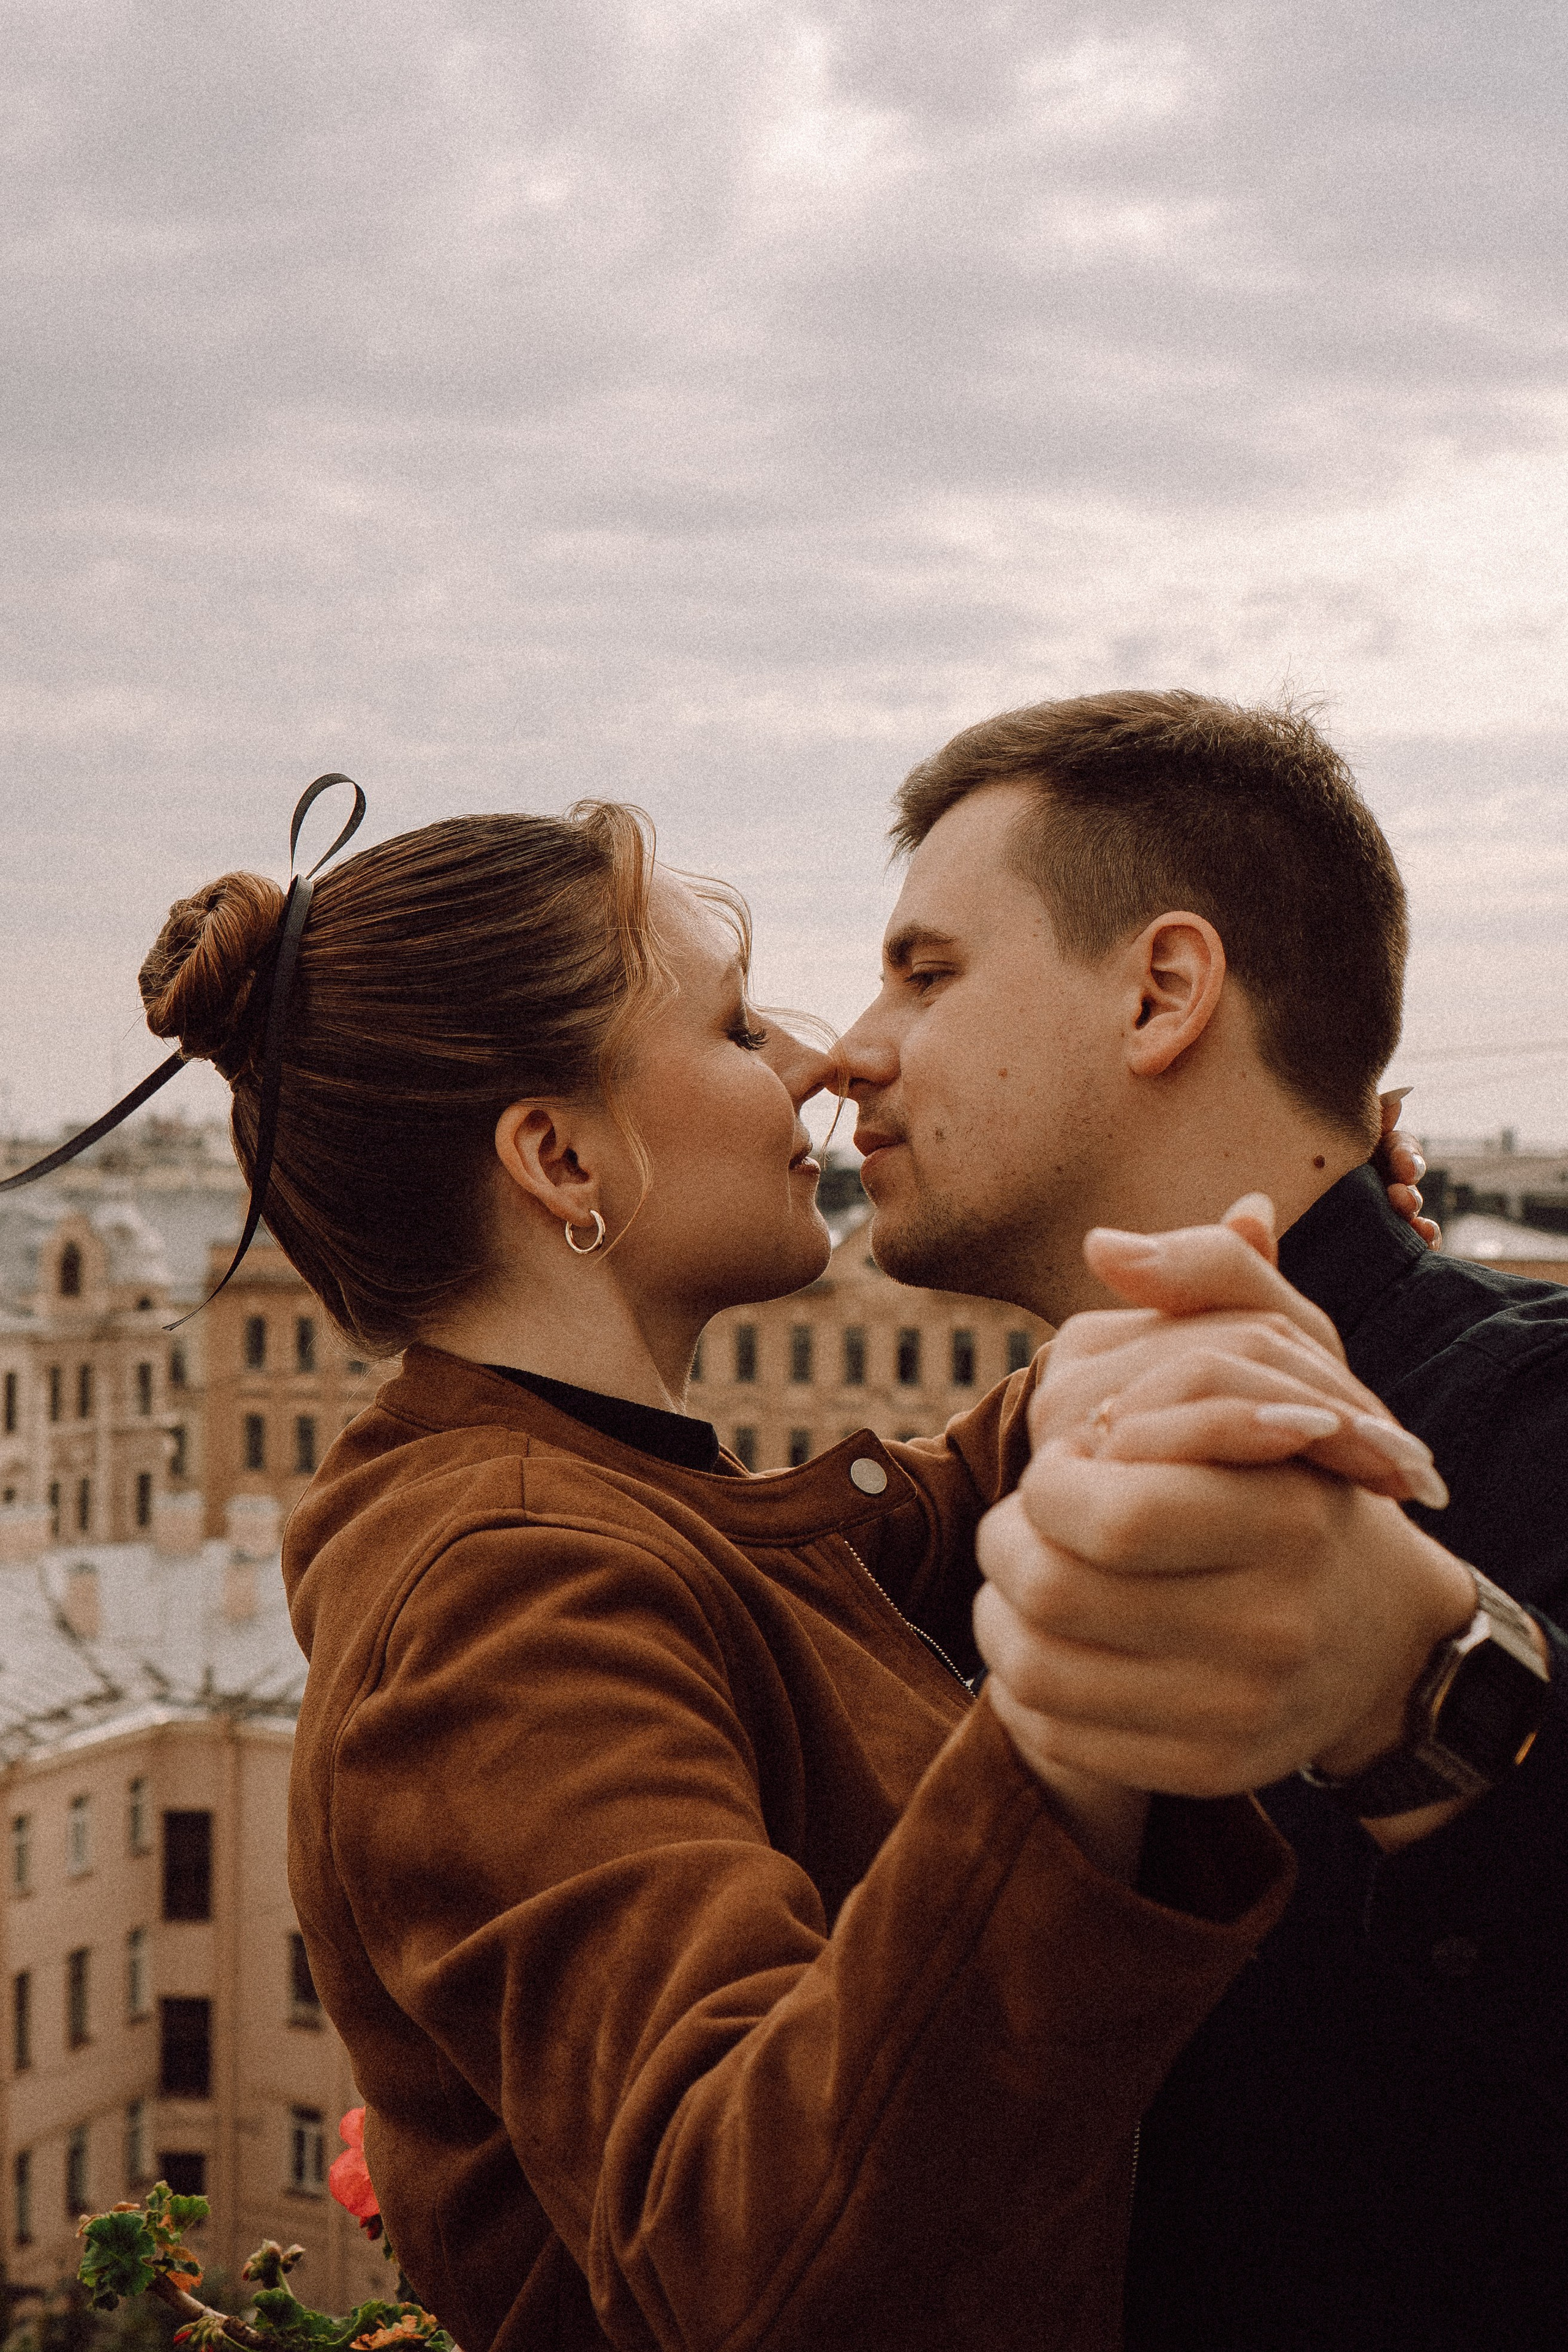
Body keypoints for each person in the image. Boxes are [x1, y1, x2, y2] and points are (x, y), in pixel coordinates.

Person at [127, 794, 1444, 2352]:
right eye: (737, 1029)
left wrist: (1262, 1232)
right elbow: (751, 2263)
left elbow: (890, 1538)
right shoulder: (505, 1591)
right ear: (558, 1159)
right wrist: (1070, 1704)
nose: (817, 1064)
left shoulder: (607, 1500)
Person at [834, 688, 1567, 2352]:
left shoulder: (1527, 1424)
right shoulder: (1000, 1505)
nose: (846, 1050)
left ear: (1165, 990)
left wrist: (1426, 1690)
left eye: (925, 972)